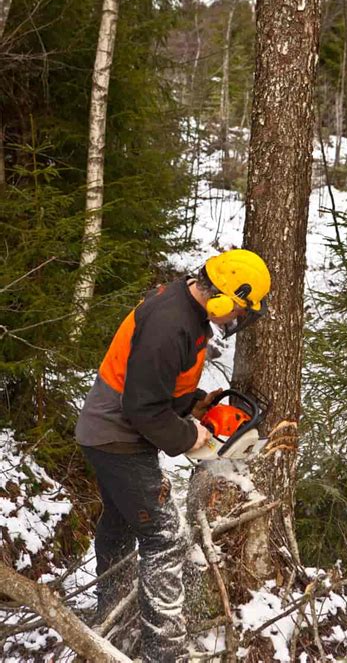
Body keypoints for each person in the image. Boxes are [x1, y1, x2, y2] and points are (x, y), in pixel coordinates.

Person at [75, 248, 271, 663]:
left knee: (120, 523)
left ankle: (113, 619)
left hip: (111, 431)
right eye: (238, 307)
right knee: (166, 538)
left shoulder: (185, 308)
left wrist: (194, 405)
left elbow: (154, 383)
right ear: (220, 296)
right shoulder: (172, 324)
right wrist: (189, 435)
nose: (236, 317)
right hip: (118, 438)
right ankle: (164, 651)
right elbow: (143, 408)